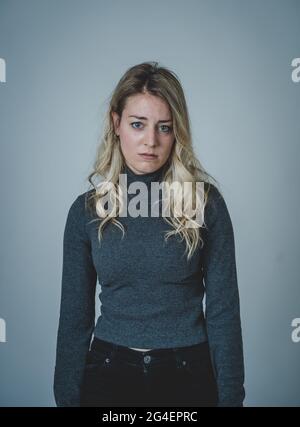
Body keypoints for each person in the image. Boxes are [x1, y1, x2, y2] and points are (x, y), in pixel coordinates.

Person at [53, 61, 245, 407]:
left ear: (177, 132)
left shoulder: (206, 204)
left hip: (189, 375)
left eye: (165, 127)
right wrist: (67, 399)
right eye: (137, 125)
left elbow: (224, 313)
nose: (150, 142)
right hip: (107, 376)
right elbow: (74, 320)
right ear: (116, 123)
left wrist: (231, 399)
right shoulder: (86, 212)